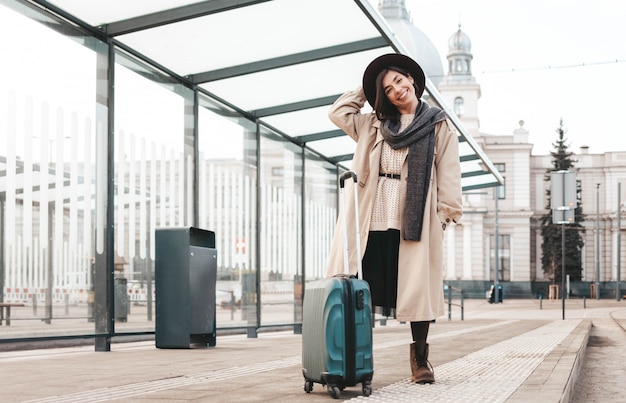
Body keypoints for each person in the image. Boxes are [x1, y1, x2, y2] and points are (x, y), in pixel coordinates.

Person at [325, 53, 463, 384]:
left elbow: (449, 173)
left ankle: (420, 360)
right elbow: (338, 112)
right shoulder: (372, 123)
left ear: (412, 80)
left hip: (413, 218)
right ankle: (350, 357)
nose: (397, 90)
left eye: (399, 81)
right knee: (360, 286)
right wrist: (364, 88)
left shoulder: (438, 124)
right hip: (370, 215)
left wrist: (443, 217)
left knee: (417, 291)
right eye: (387, 88)